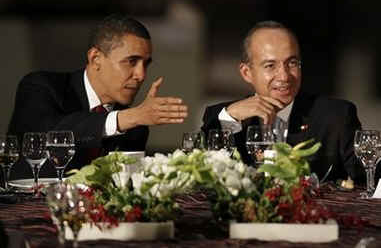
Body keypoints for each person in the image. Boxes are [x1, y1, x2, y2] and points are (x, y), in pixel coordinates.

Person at [7, 14, 188, 179]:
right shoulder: (40, 86)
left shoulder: (135, 128)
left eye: (145, 64)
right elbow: (50, 133)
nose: (141, 75)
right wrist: (129, 117)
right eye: (131, 61)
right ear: (96, 59)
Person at [201, 21, 365, 183]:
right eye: (270, 65)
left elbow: (371, 178)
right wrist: (230, 119)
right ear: (246, 73)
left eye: (292, 63)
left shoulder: (336, 116)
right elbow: (200, 175)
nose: (284, 76)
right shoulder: (223, 117)